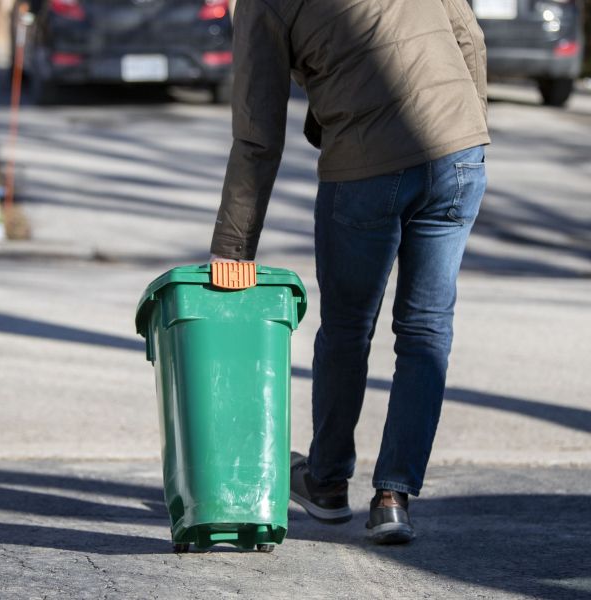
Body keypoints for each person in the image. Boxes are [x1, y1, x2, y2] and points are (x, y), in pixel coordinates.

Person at [209, 0, 489, 544]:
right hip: (459, 153)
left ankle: (328, 482)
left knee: (346, 330)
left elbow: (257, 136)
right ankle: (393, 499)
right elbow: (470, 39)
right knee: (426, 329)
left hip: (366, 168)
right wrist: (470, 127)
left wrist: (232, 247)